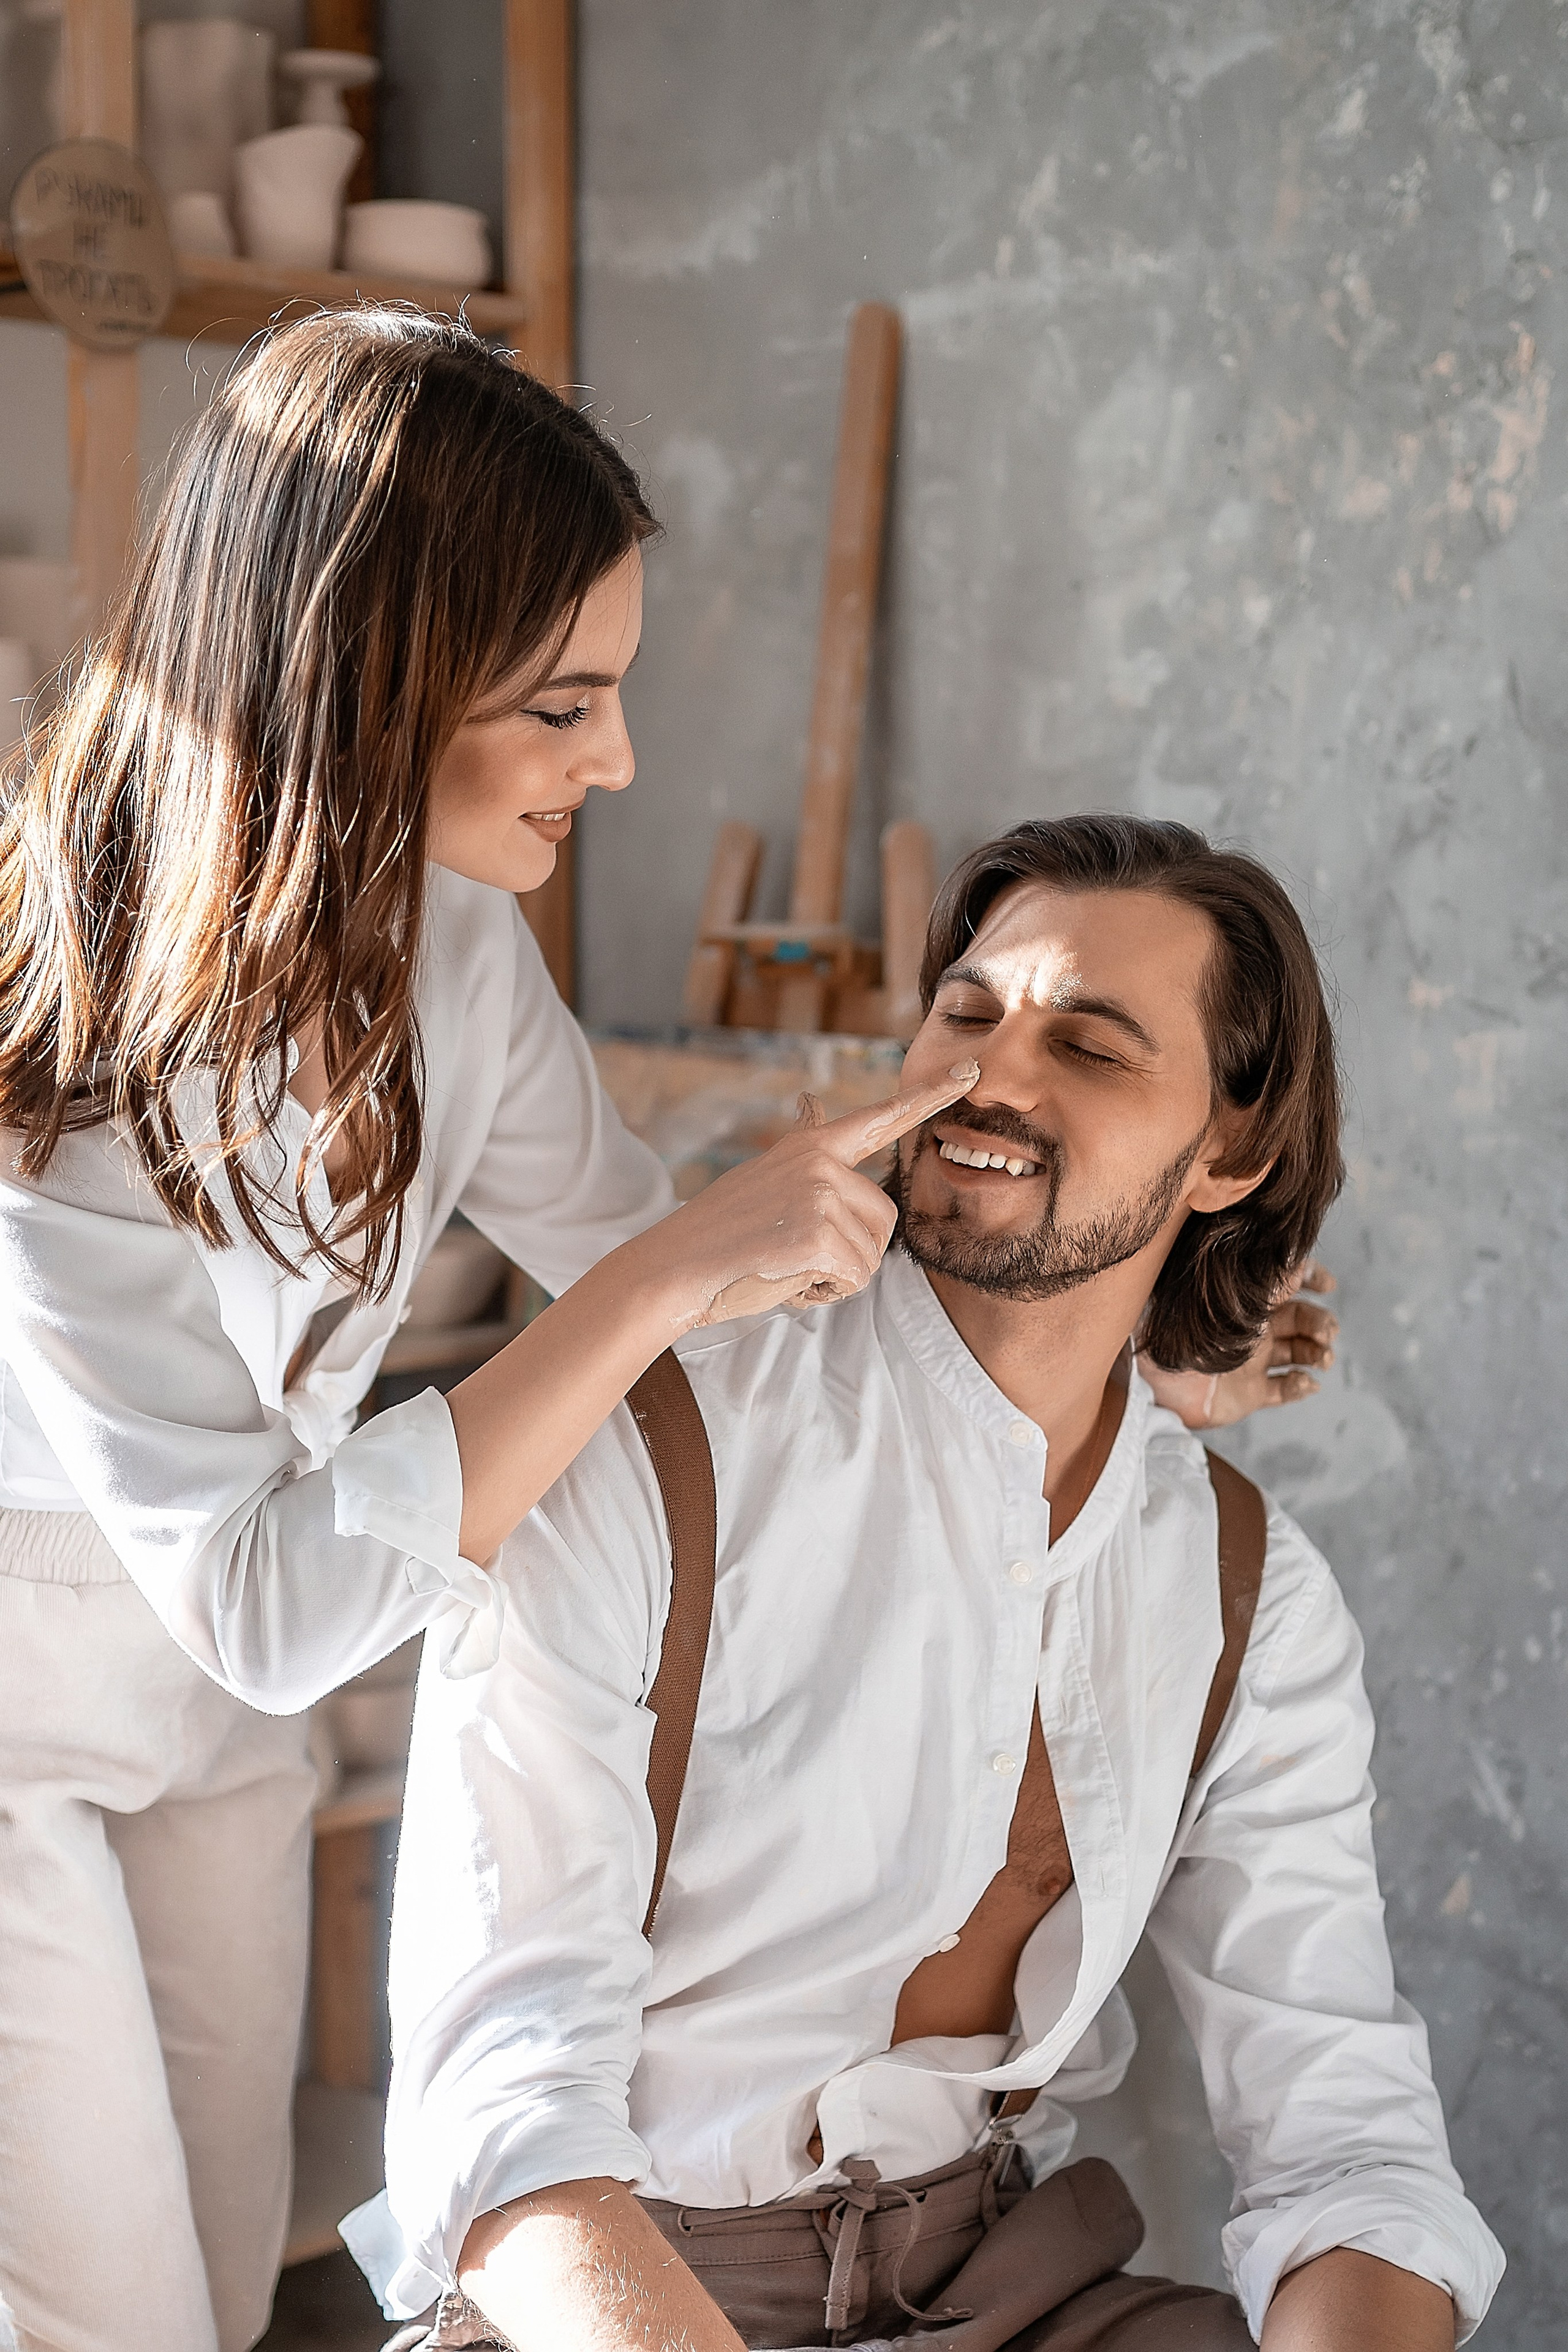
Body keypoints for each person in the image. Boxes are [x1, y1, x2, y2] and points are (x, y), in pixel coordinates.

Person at [0, 310, 984, 2352]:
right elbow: (280, 1590)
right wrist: (660, 1278)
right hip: (38, 1690)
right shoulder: (68, 1058)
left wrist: (1038, 1323)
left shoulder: (449, 944)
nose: (615, 762)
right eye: (566, 706)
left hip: (224, 1719)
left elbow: (661, 1267)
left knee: (247, 2243)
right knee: (115, 2322)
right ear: (374, 686)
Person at [358, 816, 1504, 2352]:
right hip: (611, 2294)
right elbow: (502, 2122)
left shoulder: (1247, 1596)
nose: (989, 1076)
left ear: (1230, 1153)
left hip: (1003, 2283)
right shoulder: (642, 1443)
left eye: (1089, 1046)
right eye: (965, 1014)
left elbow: (1343, 2142)